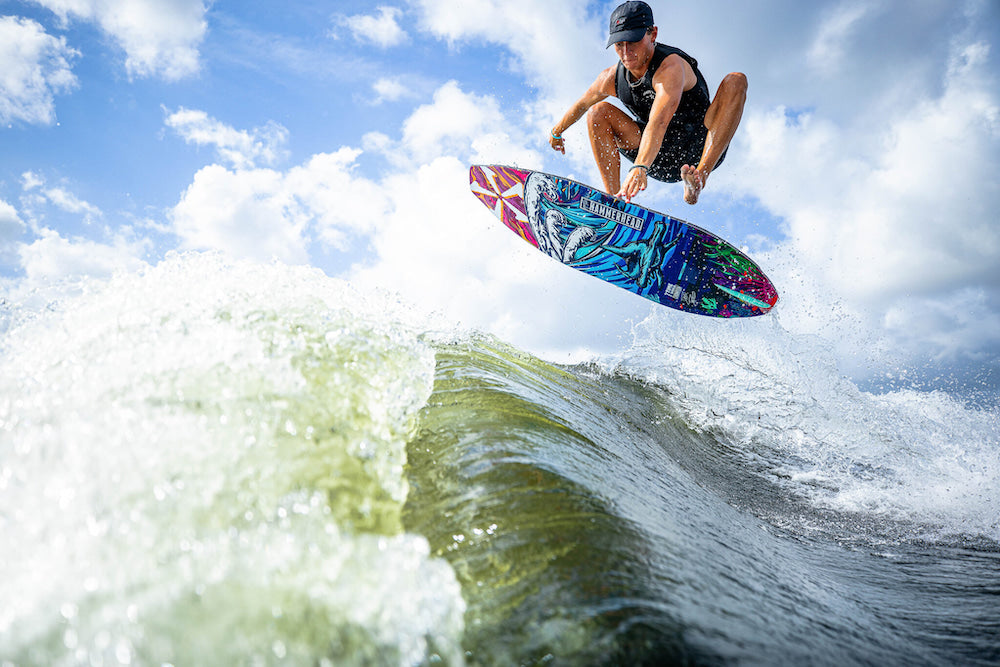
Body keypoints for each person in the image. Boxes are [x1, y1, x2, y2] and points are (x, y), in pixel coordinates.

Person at [549, 1, 747, 205]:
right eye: (619, 45)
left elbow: (659, 121)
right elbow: (582, 105)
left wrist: (640, 166)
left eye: (632, 42)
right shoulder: (611, 78)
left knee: (736, 80)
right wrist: (557, 132)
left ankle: (699, 179)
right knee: (597, 112)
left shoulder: (670, 67)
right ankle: (616, 204)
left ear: (652, 34)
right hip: (656, 156)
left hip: (701, 145)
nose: (626, 52)